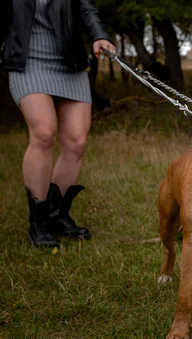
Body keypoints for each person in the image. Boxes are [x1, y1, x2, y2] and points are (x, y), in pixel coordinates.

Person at [1, 0, 116, 247]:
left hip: (69, 61)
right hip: (26, 62)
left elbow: (86, 7)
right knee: (43, 133)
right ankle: (39, 222)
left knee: (77, 141)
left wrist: (99, 35)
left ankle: (57, 215)